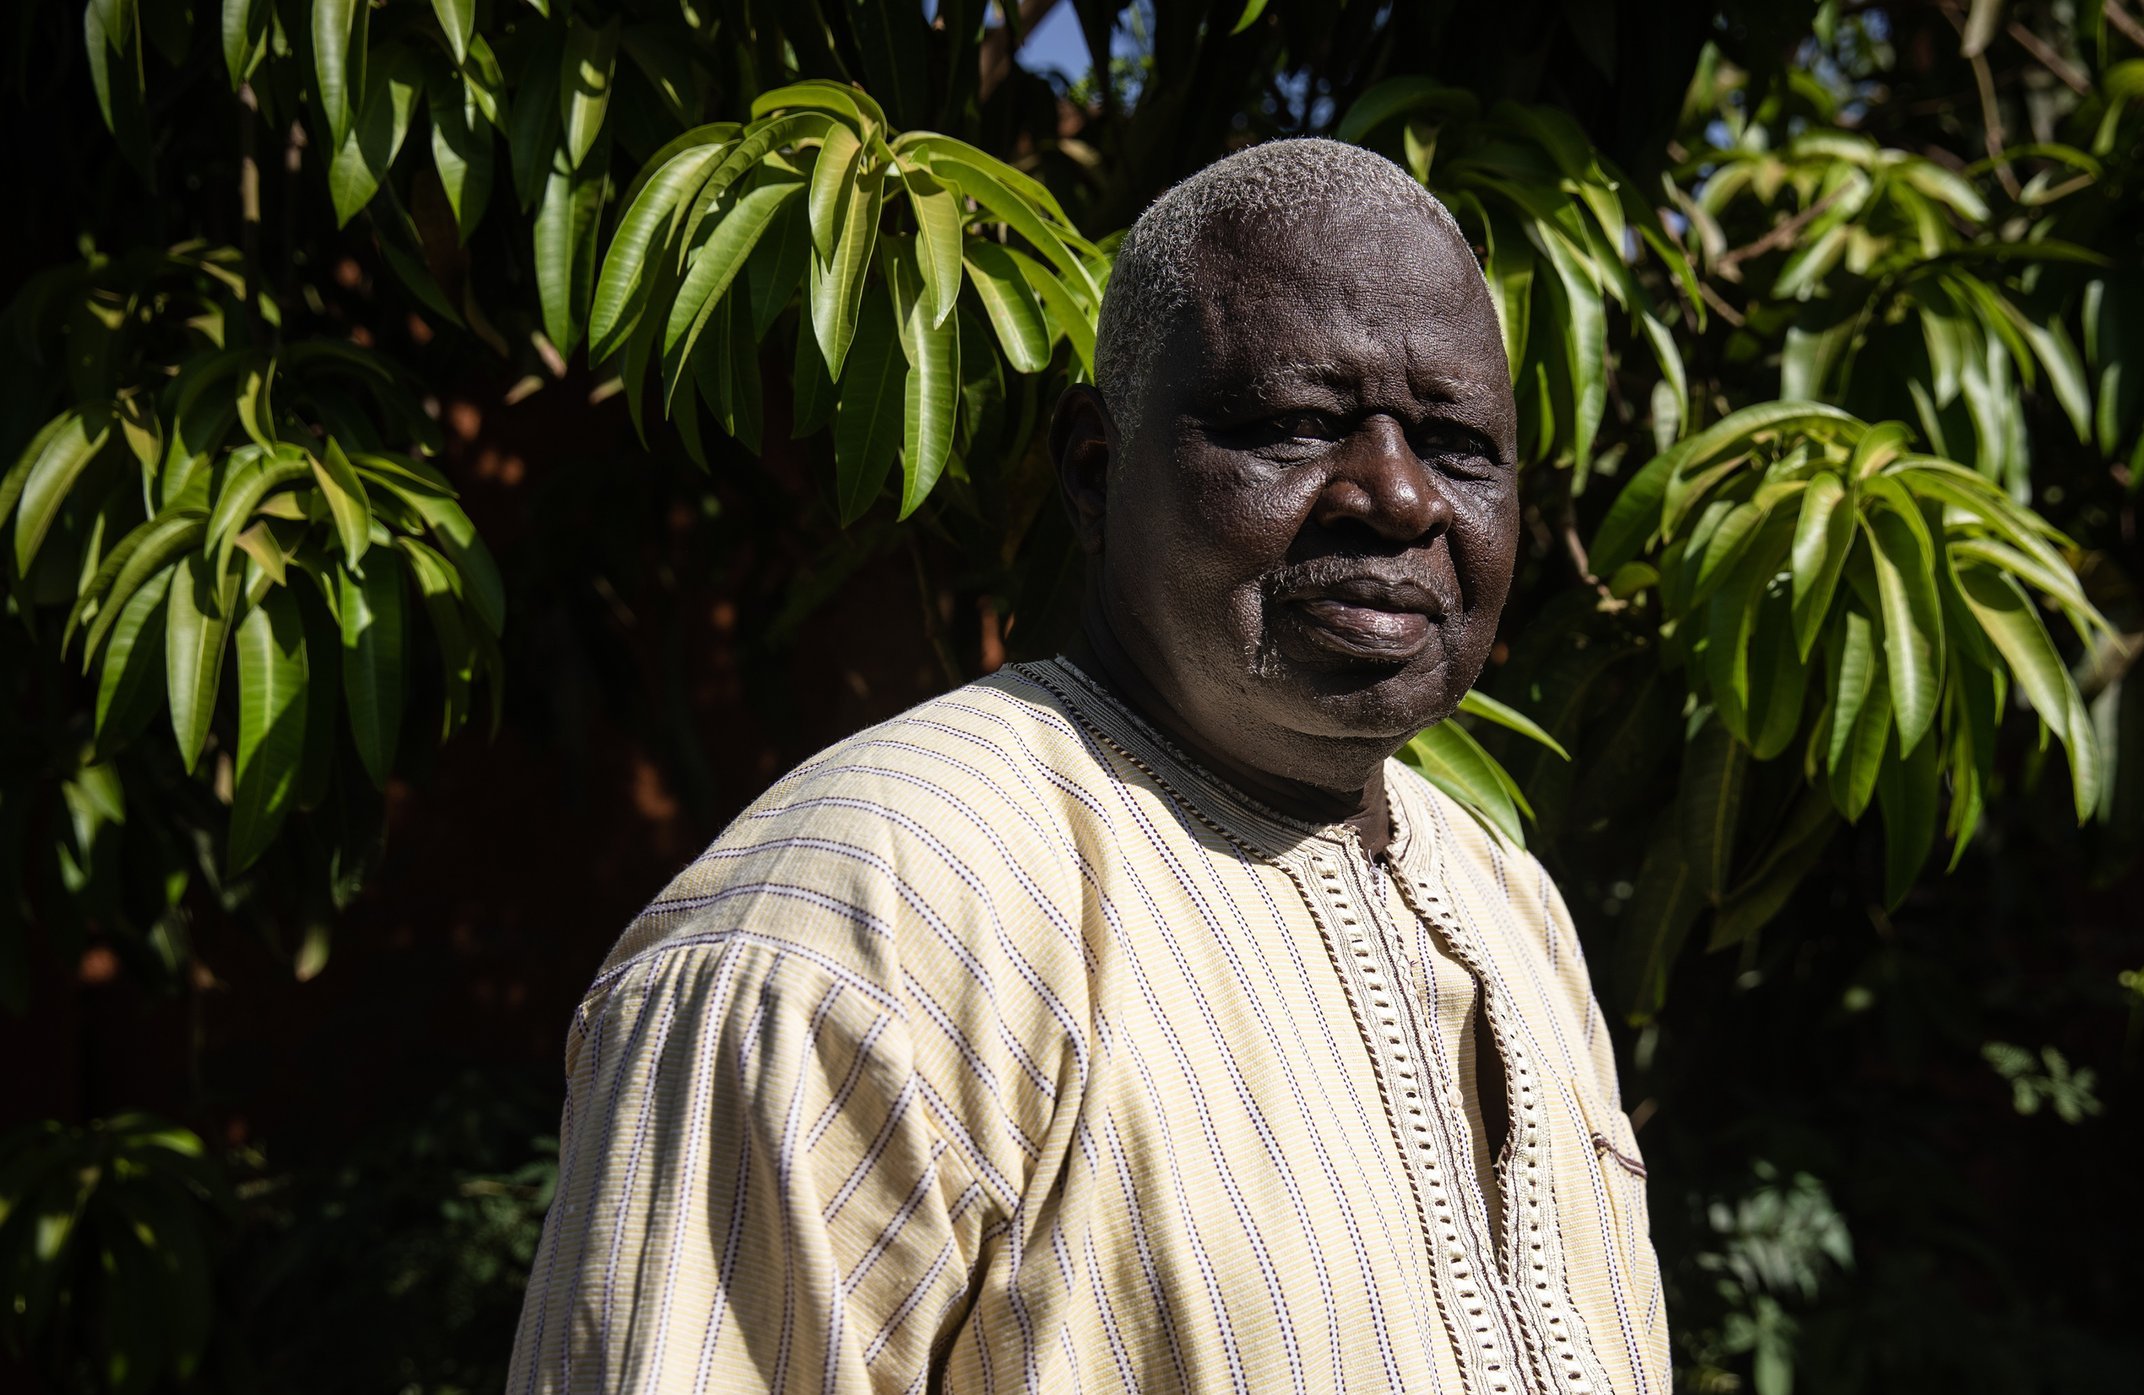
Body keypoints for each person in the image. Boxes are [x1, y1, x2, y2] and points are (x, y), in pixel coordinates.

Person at [506, 138, 1673, 1395]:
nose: (1396, 497)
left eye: (1457, 447)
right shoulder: (863, 919)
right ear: (1094, 471)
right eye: (1292, 426)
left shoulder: (1507, 904)